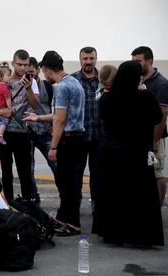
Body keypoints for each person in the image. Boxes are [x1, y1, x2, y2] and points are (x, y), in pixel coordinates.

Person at [92, 61, 164, 247]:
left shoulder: (107, 99)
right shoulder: (146, 97)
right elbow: (157, 117)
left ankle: (114, 233)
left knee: (113, 193)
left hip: (111, 152)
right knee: (139, 195)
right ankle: (139, 235)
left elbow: (103, 118)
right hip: (137, 154)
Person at [31, 50, 85, 236]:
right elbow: (60, 114)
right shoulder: (74, 82)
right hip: (79, 138)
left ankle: (72, 224)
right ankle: (65, 219)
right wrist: (38, 118)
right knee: (72, 183)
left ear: (46, 69)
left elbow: (60, 121)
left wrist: (53, 147)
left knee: (66, 185)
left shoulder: (60, 88)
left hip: (67, 141)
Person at [0, 49, 40, 204]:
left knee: (25, 171)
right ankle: (8, 203)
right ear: (13, 62)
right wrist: (4, 111)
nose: (23, 68)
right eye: (19, 64)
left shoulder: (31, 81)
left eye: (26, 64)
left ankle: (27, 203)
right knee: (6, 170)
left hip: (23, 132)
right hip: (3, 132)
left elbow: (36, 105)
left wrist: (28, 88)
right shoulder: (2, 81)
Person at [132, 46, 168, 207]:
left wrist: (154, 141)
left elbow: (162, 115)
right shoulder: (138, 80)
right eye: (133, 62)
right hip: (139, 139)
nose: (135, 65)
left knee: (155, 172)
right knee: (143, 174)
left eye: (138, 61)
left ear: (149, 61)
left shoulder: (160, 83)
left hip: (153, 140)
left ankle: (157, 211)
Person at [71, 46, 100, 211]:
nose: (88, 62)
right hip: (79, 137)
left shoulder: (104, 79)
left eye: (91, 58)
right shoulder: (73, 79)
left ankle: (97, 206)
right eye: (85, 59)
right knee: (76, 175)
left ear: (96, 58)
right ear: (80, 59)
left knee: (97, 175)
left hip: (98, 136)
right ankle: (74, 207)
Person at [26, 57, 58, 192]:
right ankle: (34, 199)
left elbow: (56, 108)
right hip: (28, 131)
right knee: (29, 168)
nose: (29, 76)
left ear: (38, 70)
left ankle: (65, 197)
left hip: (46, 131)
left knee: (56, 165)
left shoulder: (47, 86)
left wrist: (54, 127)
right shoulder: (22, 85)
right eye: (26, 73)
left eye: (31, 72)